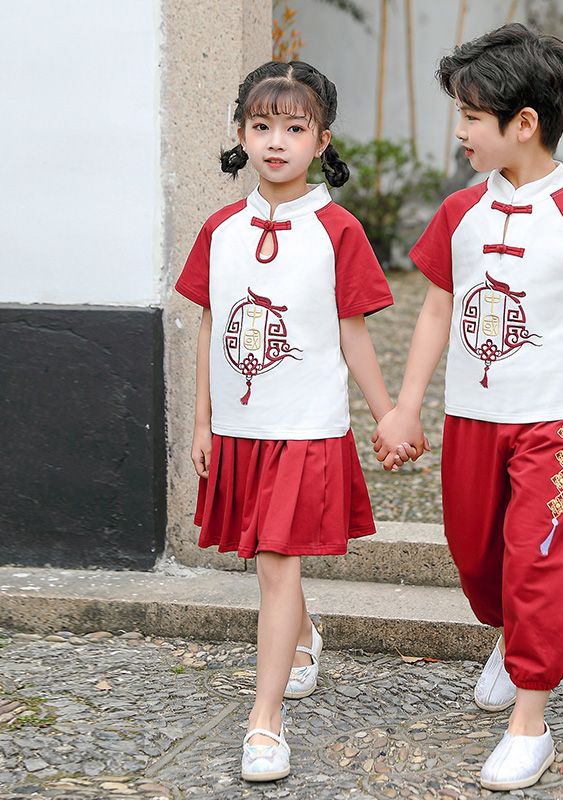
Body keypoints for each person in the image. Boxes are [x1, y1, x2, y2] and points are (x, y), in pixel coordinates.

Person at [373, 23, 563, 791]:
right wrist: (405, 406)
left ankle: (531, 721)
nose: (459, 132)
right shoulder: (459, 213)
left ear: (524, 125)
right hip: (471, 420)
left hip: (554, 424)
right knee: (475, 555)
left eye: (470, 117)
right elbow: (433, 312)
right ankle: (508, 637)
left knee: (535, 563)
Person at [175, 60, 403, 783]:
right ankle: (303, 635)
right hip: (242, 426)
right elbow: (212, 324)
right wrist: (203, 421)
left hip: (306, 424)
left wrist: (388, 413)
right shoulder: (221, 228)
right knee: (264, 557)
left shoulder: (336, 230)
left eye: (294, 128)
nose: (276, 141)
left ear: (321, 140)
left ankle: (263, 722)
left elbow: (354, 331)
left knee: (277, 560)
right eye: (262, 125)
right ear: (241, 133)